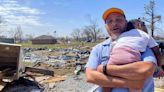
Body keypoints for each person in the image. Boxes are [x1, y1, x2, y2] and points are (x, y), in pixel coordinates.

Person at [85, 7, 157, 92]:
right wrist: (129, 83)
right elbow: (90, 76)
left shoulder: (140, 43)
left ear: (126, 23)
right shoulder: (98, 49)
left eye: (119, 20)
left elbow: (146, 70)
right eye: (109, 21)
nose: (114, 24)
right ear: (106, 27)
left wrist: (105, 70)